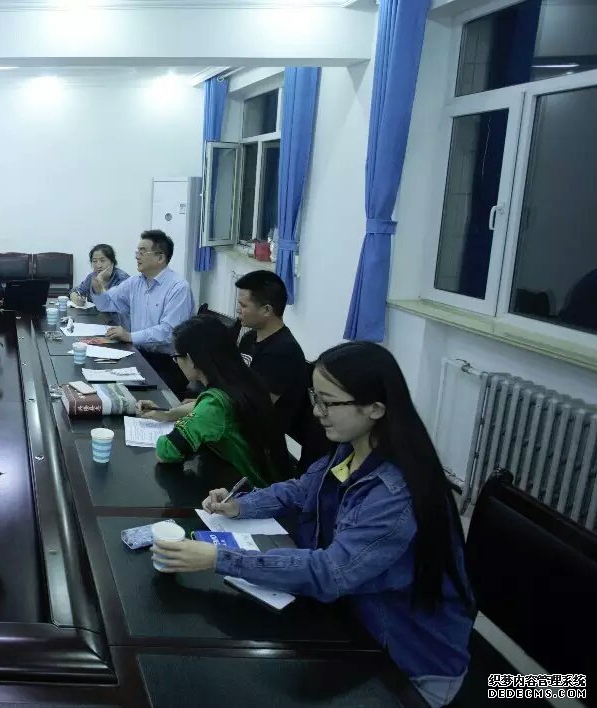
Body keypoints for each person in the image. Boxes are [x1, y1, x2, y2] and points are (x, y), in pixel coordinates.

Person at [152, 342, 475, 707]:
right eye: (315, 398)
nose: (317, 412)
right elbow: (302, 488)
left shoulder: (395, 494)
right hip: (351, 617)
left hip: (404, 662)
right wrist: (241, 505)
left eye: (329, 403)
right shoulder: (355, 447)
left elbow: (330, 572)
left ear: (375, 408)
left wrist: (218, 558)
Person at [136, 316, 290, 488]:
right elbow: (206, 408)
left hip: (251, 491)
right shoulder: (242, 379)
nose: (176, 362)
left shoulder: (215, 404)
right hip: (273, 479)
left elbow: (166, 451)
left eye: (177, 356)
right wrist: (169, 414)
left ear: (191, 360)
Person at [233, 270, 332, 471]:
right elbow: (234, 385)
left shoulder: (283, 351)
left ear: (266, 310)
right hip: (242, 429)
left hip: (262, 446)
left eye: (243, 306)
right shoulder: (249, 338)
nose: (238, 310)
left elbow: (256, 405)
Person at [90, 230, 195, 395]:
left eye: (142, 252)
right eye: (137, 251)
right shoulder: (135, 282)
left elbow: (169, 332)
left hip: (169, 363)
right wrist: (98, 289)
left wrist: (130, 336)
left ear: (160, 258)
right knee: (101, 379)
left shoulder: (178, 288)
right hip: (139, 354)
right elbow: (108, 304)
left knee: (137, 397)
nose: (137, 256)